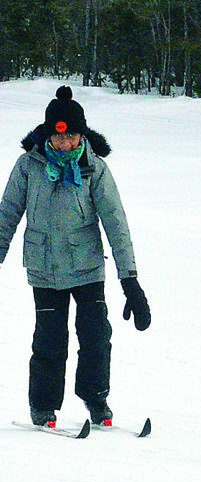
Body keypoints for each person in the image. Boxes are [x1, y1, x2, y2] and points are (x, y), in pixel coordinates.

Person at [0, 86, 151, 428]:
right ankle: (43, 406)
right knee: (50, 342)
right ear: (48, 136)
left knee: (96, 337)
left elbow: (116, 222)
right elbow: (7, 212)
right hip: (45, 269)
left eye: (71, 138)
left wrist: (130, 280)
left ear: (81, 136)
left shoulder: (94, 169)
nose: (65, 145)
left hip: (87, 269)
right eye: (58, 138)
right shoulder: (29, 166)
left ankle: (96, 400)